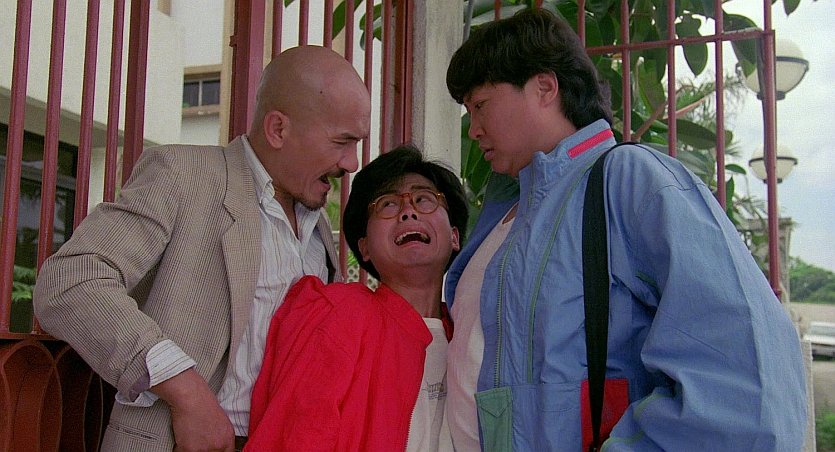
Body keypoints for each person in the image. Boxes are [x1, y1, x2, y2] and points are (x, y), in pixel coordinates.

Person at [443, 8, 807, 451]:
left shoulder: (628, 180)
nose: (473, 129)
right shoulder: (504, 209)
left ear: (544, 87)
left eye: (480, 105)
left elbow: (744, 380)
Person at [33, 45, 371, 451]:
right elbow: (70, 281)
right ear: (278, 129)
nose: (352, 162)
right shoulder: (184, 175)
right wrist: (185, 389)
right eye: (342, 142)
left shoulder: (318, 228)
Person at [244, 145, 468, 451]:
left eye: (424, 199)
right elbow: (297, 437)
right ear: (364, 248)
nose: (408, 211)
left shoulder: (473, 332)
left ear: (454, 236)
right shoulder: (339, 313)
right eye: (387, 204)